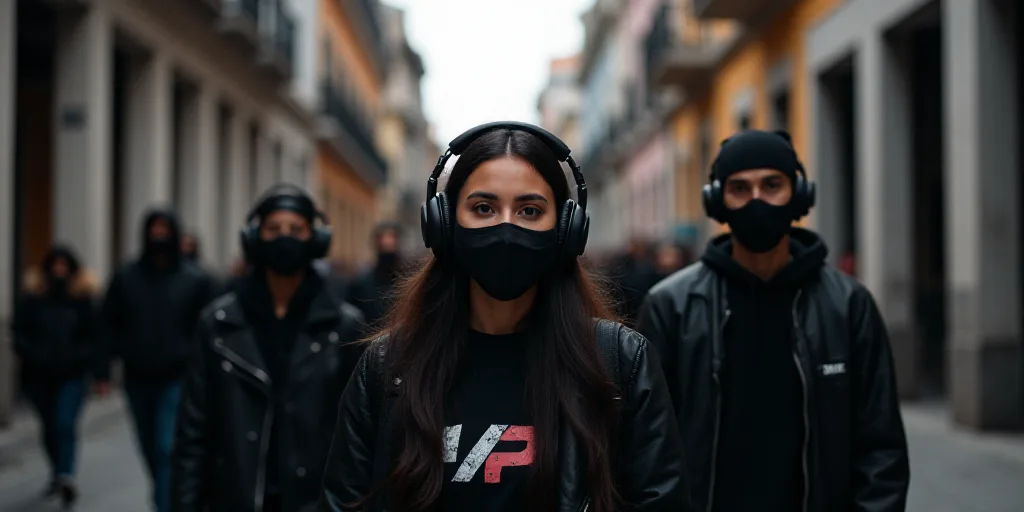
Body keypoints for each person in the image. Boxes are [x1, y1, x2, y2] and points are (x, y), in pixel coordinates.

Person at [319, 122, 688, 512]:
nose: (506, 226)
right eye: (483, 208)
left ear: (566, 231)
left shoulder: (621, 363)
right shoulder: (386, 367)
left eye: (530, 210)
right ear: (444, 225)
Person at [636, 129, 909, 511]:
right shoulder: (671, 306)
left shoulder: (849, 305)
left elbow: (880, 447)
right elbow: (646, 445)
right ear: (717, 201)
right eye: (740, 189)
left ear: (799, 195)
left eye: (772, 185)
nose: (757, 201)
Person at [173, 184, 366, 512]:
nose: (284, 237)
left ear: (316, 241)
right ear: (254, 238)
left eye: (296, 230)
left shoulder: (344, 326)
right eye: (273, 229)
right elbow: (193, 429)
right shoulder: (219, 323)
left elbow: (360, 432)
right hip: (236, 495)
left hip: (317, 499)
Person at [101, 208, 217, 512]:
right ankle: (164, 495)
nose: (159, 235)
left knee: (168, 447)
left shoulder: (195, 280)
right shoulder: (126, 277)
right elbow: (108, 323)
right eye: (154, 228)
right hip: (137, 376)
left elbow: (209, 332)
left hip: (178, 377)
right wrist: (102, 370)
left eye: (165, 228)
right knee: (150, 448)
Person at [13, 245, 103, 508]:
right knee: (49, 426)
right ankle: (57, 470)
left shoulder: (82, 300)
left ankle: (65, 474)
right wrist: (32, 353)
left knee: (64, 423)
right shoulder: (33, 299)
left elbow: (95, 336)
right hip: (38, 375)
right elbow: (20, 332)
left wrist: (87, 363)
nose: (59, 271)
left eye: (65, 266)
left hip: (71, 374)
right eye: (56, 265)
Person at [346, 222, 403, 328]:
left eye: (391, 239)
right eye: (384, 241)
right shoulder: (361, 283)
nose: (388, 243)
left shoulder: (407, 281)